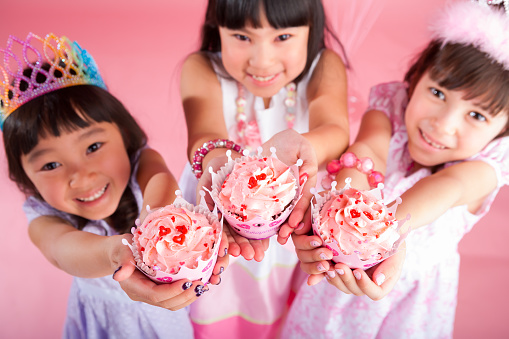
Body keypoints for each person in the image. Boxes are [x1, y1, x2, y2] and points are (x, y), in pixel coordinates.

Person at [282, 1, 509, 338]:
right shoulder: (390, 109)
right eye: (437, 92)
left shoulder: (488, 165)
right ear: (414, 81)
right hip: (335, 278)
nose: (443, 125)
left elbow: (449, 187)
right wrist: (342, 206)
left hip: (408, 309)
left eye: (476, 116)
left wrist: (386, 234)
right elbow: (365, 153)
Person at [1, 33, 228, 338]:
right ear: (27, 177)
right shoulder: (43, 219)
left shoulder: (142, 162)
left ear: (124, 135)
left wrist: (154, 229)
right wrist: (116, 252)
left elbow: (160, 181)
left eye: (93, 146)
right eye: (51, 165)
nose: (81, 176)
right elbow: (62, 249)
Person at [178, 0, 350, 337]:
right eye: (242, 37)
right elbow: (204, 135)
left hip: (294, 220)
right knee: (221, 308)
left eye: (282, 37)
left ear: (310, 30)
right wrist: (217, 166)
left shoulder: (323, 66)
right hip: (221, 204)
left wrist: (304, 149)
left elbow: (335, 128)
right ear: (218, 27)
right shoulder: (201, 68)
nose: (262, 60)